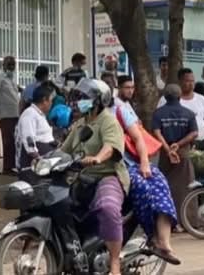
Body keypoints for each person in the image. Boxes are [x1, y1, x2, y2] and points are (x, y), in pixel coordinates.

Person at [61, 78, 129, 275]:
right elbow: (64, 150)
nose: (79, 101)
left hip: (107, 175)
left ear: (98, 100)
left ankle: (114, 262)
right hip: (81, 178)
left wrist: (98, 157)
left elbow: (111, 147)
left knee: (107, 207)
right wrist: (45, 160)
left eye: (84, 97)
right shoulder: (80, 124)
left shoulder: (108, 121)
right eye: (78, 97)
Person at [109, 84, 180, 265]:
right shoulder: (87, 118)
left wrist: (144, 162)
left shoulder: (120, 111)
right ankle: (152, 236)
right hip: (114, 167)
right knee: (142, 188)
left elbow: (138, 137)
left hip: (133, 163)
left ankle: (164, 241)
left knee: (160, 183)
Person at [152, 85, 198, 219]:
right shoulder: (188, 113)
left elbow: (156, 132)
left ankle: (168, 219)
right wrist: (178, 145)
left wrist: (167, 149)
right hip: (183, 153)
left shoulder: (158, 113)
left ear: (165, 97)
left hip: (165, 154)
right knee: (187, 186)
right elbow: (194, 133)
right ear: (180, 96)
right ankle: (188, 219)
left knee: (165, 185)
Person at [0, 56, 22, 175]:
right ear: (3, 65)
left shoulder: (11, 78)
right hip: (5, 113)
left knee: (15, 141)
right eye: (9, 64)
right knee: (8, 141)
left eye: (13, 65)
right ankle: (7, 168)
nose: (11, 67)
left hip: (15, 113)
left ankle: (13, 166)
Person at [162, 68, 204, 142]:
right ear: (179, 82)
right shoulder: (166, 99)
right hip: (175, 143)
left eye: (192, 81)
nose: (191, 84)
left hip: (199, 143)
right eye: (187, 81)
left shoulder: (202, 99)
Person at [14, 82, 57, 170]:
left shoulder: (39, 114)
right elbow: (29, 141)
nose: (51, 103)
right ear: (44, 100)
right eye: (50, 100)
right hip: (33, 164)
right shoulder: (30, 115)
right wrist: (39, 159)